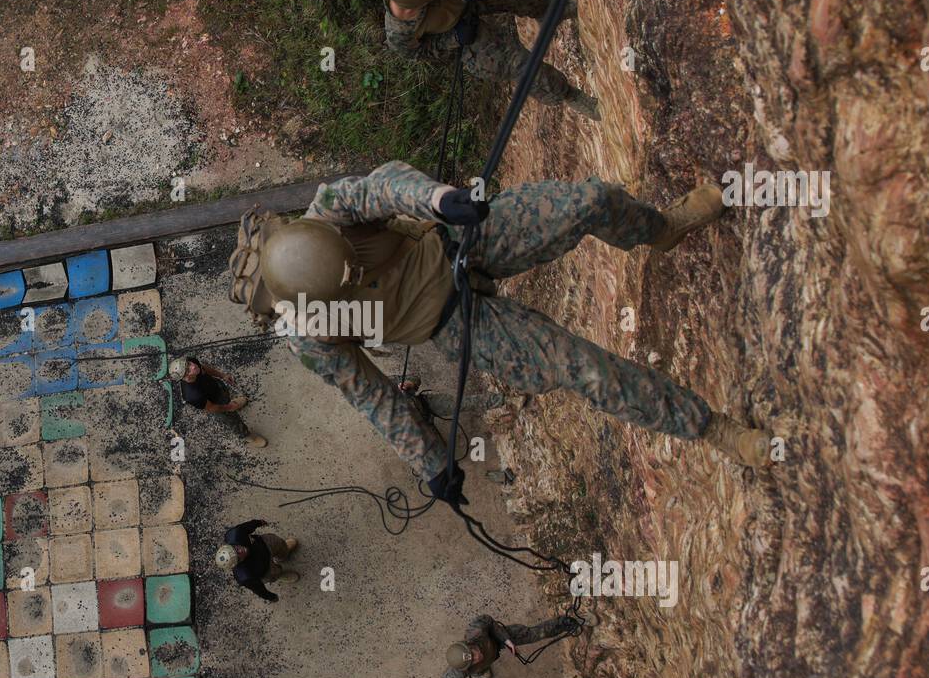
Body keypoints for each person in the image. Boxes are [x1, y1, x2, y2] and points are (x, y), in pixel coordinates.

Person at [226, 161, 773, 511]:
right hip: (453, 324)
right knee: (580, 368)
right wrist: (431, 464)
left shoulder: (329, 211)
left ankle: (664, 229)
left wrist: (441, 200)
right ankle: (715, 430)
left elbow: (386, 187)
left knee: (589, 202)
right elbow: (373, 396)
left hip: (460, 242)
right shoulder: (309, 337)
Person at [384, 0, 598, 120]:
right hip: (461, 32)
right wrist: (455, 39)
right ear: (420, 4)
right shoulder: (398, 33)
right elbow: (422, 53)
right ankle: (569, 94)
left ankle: (553, 10)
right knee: (518, 65)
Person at [442, 613, 580, 678]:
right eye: (472, 659)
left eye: (473, 651)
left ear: (468, 643)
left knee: (532, 634)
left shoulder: (476, 631)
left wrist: (506, 639)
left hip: (496, 639)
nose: (477, 656)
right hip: (483, 665)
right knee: (482, 670)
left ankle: (563, 623)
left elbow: (488, 620)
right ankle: (483, 671)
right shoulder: (458, 672)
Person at [168, 356, 266, 448]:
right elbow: (211, 408)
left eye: (188, 363)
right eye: (188, 370)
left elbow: (204, 368)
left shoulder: (194, 364)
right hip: (215, 404)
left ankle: (233, 403)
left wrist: (222, 376)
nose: (193, 366)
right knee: (233, 421)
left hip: (218, 388)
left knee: (226, 396)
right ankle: (246, 436)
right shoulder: (192, 396)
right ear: (185, 377)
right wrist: (229, 407)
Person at [215, 519, 299, 603]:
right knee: (274, 574)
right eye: (238, 557)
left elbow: (246, 526)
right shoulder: (245, 576)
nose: (241, 551)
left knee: (279, 544)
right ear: (237, 563)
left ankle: (284, 553)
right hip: (266, 570)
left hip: (265, 544)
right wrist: (271, 597)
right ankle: (280, 574)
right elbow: (258, 589)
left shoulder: (235, 534)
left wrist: (258, 522)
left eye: (236, 549)